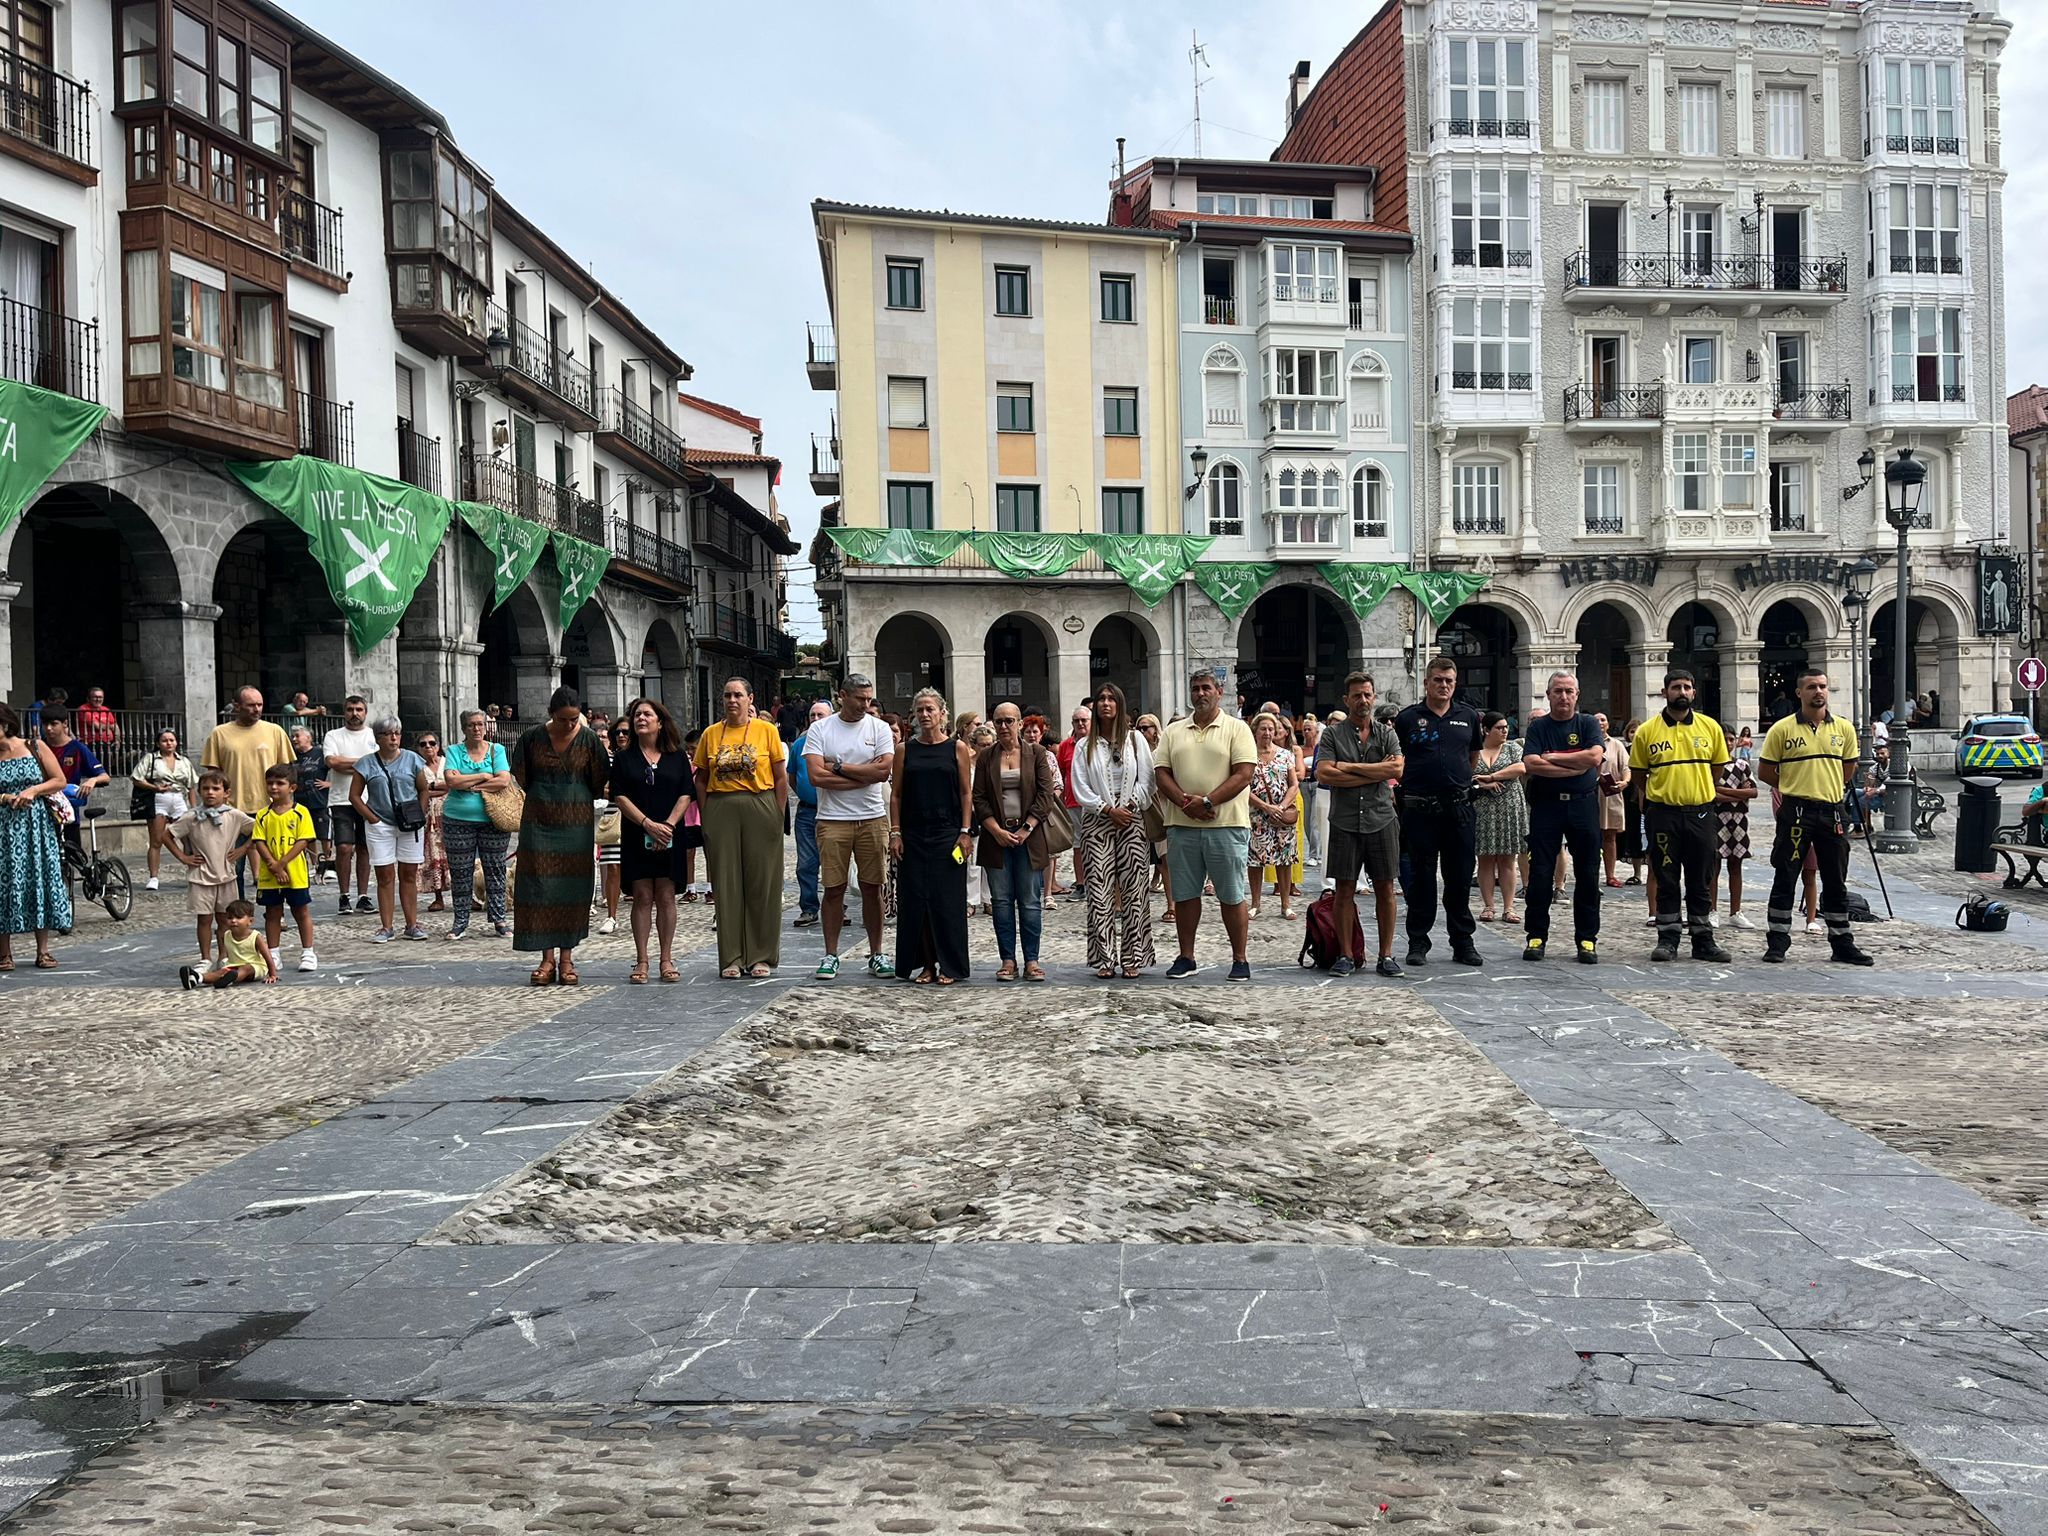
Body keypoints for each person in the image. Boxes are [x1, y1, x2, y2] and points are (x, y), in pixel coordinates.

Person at [1759, 668, 1871, 966]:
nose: (1818, 691)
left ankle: (1841, 942)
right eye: (1811, 687)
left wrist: (1825, 786)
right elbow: (1766, 771)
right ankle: (1778, 941)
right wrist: (1796, 785)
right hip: (1796, 810)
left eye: (1822, 686)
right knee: (1786, 875)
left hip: (1832, 810)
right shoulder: (1782, 729)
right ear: (1799, 693)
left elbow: (1849, 769)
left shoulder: (1844, 729)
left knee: (1836, 879)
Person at [1154, 669, 1259, 982]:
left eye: (1206, 688)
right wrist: (1188, 804)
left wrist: (1209, 802)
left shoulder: (1237, 728)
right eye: (1195, 688)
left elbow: (1244, 774)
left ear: (1219, 691)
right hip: (1182, 825)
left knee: (1231, 894)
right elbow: (1161, 773)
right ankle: (1186, 956)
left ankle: (1239, 959)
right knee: (1185, 895)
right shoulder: (1174, 731)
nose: (1200, 694)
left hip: (1226, 825)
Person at [1629, 669, 1732, 963]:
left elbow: (1717, 770)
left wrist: (1696, 790)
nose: (1682, 692)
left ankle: (1703, 940)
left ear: (1694, 692)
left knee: (1701, 878)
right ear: (1665, 692)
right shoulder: (1648, 731)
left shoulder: (1710, 727)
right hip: (1663, 814)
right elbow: (1639, 775)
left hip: (1701, 813)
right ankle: (1668, 938)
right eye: (1676, 687)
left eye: (1687, 687)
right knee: (1666, 877)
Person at [512, 687, 610, 986]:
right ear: (551, 715)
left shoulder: (590, 739)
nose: (570, 724)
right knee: (540, 885)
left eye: (574, 719)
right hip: (539, 819)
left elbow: (598, 777)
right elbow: (522, 775)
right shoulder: (532, 738)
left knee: (571, 888)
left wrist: (573, 795)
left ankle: (567, 958)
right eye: (563, 719)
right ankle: (546, 958)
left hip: (575, 821)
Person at [694, 676, 789, 979]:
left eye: (738, 695)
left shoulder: (766, 731)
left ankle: (761, 955)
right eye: (727, 695)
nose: (732, 700)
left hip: (760, 804)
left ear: (750, 699)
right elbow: (700, 776)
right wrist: (707, 812)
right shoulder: (711, 734)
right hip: (721, 806)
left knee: (763, 882)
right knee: (726, 883)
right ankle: (731, 957)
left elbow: (780, 776)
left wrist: (778, 812)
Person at [1393, 657, 1484, 968]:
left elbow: (1472, 756)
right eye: (1438, 680)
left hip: (1459, 809)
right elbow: (1398, 758)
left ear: (1454, 684)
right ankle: (1418, 941)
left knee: (1459, 877)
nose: (1443, 686)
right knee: (1421, 879)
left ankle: (1462, 942)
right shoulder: (1407, 719)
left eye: (1449, 681)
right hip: (1420, 810)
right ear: (1426, 683)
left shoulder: (1468, 716)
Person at [804, 674, 895, 981]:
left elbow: (883, 771)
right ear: (843, 695)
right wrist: (862, 774)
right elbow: (816, 776)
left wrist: (839, 767)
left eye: (869, 699)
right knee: (833, 888)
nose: (866, 705)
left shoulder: (879, 728)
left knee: (873, 887)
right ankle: (831, 955)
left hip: (872, 817)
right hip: (832, 819)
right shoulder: (820, 729)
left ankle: (877, 952)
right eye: (860, 699)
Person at [1314, 672, 1406, 977]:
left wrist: (1350, 767)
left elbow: (1397, 769)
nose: (1362, 700)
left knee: (1385, 888)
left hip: (1381, 818)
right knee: (1344, 889)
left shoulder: (1386, 733)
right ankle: (1345, 954)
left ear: (1374, 697)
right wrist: (1376, 772)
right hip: (1345, 821)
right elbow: (1325, 773)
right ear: (1346, 699)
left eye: (1367, 694)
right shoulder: (1332, 735)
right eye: (1356, 695)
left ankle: (1387, 955)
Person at [1519, 674, 1608, 965]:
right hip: (1547, 807)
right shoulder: (1539, 727)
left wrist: (1553, 757)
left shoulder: (1588, 724)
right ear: (1548, 695)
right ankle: (1536, 936)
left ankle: (1586, 939)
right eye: (1558, 691)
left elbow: (1594, 757)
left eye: (1569, 691)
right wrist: (1574, 767)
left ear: (1577, 694)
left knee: (1587, 874)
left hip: (1583, 807)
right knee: (1541, 874)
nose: (1563, 697)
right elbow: (1532, 763)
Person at [1070, 682, 1156, 979]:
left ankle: (1133, 956)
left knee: (1135, 891)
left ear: (1119, 704)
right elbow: (1080, 787)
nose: (1105, 703)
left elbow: (1147, 780)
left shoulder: (1135, 741)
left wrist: (1129, 807)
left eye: (1111, 699)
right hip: (1098, 822)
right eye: (1101, 699)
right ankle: (1104, 958)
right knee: (1099, 891)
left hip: (1131, 821)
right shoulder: (1085, 745)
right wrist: (1107, 809)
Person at [610, 696, 695, 985]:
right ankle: (642, 959)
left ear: (660, 721)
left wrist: (668, 825)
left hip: (670, 832)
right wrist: (647, 824)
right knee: (643, 896)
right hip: (637, 833)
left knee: (667, 896)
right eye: (636, 716)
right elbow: (619, 796)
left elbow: (686, 792)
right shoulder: (624, 758)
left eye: (646, 714)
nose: (640, 719)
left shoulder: (676, 755)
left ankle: (666, 958)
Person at [890, 687, 973, 985]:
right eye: (920, 710)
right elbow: (896, 795)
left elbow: (966, 792)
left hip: (948, 833)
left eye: (930, 709)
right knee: (917, 902)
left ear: (942, 713)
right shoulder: (904, 750)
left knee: (947, 901)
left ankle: (950, 965)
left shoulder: (956, 748)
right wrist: (895, 832)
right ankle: (926, 964)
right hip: (913, 833)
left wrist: (965, 831)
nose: (925, 715)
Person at [973, 702, 1059, 981]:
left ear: (1020, 723)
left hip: (1029, 838)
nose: (1003, 726)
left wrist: (1027, 828)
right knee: (1000, 901)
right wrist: (995, 829)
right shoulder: (987, 757)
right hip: (996, 837)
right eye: (998, 721)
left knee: (1030, 901)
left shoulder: (1036, 754)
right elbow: (979, 798)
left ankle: (1032, 960)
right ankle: (1007, 959)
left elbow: (1046, 795)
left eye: (1009, 720)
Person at [0, 703, 71, 971]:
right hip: (3, 829)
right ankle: (4, 953)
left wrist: (33, 790)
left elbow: (59, 780)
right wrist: (5, 797)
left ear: (5, 725)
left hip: (35, 827)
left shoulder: (35, 746)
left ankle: (43, 950)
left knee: (39, 877)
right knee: (3, 883)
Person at [348, 717, 431, 944]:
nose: (394, 738)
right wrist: (372, 818)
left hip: (409, 824)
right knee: (384, 875)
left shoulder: (413, 759)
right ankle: (386, 926)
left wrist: (420, 813)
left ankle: (412, 924)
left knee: (408, 873)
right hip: (380, 824)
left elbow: (423, 789)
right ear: (378, 738)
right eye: (388, 734)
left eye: (397, 733)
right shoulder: (366, 763)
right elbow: (354, 795)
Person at [442, 709, 513, 941]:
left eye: (481, 724)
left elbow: (503, 779)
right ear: (464, 728)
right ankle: (460, 920)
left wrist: (469, 784)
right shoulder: (453, 751)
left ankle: (499, 918)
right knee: (461, 872)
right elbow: (451, 780)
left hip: (493, 819)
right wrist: (483, 777)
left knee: (495, 870)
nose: (477, 729)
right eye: (472, 725)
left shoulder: (496, 750)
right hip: (457, 819)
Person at [167, 770, 251, 964]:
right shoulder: (191, 817)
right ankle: (205, 957)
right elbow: (167, 835)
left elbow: (258, 830)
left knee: (225, 919)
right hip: (201, 876)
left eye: (216, 788)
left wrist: (243, 849)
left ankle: (224, 955)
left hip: (226, 875)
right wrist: (183, 857)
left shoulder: (235, 815)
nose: (210, 793)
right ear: (199, 792)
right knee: (204, 919)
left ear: (226, 793)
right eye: (206, 789)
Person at [251, 763, 318, 972]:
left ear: (292, 787)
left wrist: (281, 864)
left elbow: (303, 841)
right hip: (269, 875)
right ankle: (273, 953)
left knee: (301, 911)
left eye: (279, 783)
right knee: (272, 913)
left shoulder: (301, 812)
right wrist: (272, 865)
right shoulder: (262, 814)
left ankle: (308, 952)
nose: (274, 787)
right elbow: (259, 841)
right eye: (270, 783)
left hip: (295, 873)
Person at [320, 695, 377, 917]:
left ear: (365, 712)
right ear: (345, 712)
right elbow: (332, 762)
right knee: (344, 847)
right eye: (351, 709)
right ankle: (344, 894)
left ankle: (362, 895)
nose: (355, 713)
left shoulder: (373, 735)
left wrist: (349, 762)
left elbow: (378, 762)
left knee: (365, 848)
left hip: (369, 798)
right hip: (341, 799)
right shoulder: (333, 735)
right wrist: (364, 762)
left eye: (359, 709)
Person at [204, 687, 294, 820]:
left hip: (270, 809)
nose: (257, 709)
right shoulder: (219, 733)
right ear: (237, 706)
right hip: (232, 810)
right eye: (251, 705)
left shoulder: (276, 731)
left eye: (260, 705)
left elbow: (287, 772)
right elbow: (213, 774)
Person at [1245, 712, 1301, 921]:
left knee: (1284, 859)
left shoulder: (1285, 755)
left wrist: (1282, 806)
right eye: (1263, 729)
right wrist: (1265, 806)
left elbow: (1294, 784)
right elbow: (1243, 786)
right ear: (1255, 731)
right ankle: (1255, 904)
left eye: (1271, 729)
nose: (1267, 733)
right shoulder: (1247, 755)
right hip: (1257, 815)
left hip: (1282, 814)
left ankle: (1286, 904)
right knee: (1255, 860)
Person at [1473, 712, 1527, 925]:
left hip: (1508, 806)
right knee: (1485, 858)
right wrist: (1483, 783)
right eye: (1499, 727)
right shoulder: (1476, 750)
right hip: (1483, 808)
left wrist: (1493, 776)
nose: (1505, 731)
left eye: (1505, 727)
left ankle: (1509, 906)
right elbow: (1466, 774)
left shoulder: (1513, 748)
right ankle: (1488, 905)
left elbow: (1521, 767)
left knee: (1507, 858)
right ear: (1486, 730)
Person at [134, 727, 199, 892]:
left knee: (188, 838)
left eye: (171, 740)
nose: (168, 743)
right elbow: (136, 778)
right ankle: (153, 877)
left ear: (176, 742)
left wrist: (194, 808)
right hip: (158, 799)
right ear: (158, 743)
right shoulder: (151, 759)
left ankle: (193, 873)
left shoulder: (183, 761)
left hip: (179, 798)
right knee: (156, 840)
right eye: (164, 740)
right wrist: (154, 788)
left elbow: (191, 785)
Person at [790, 698, 831, 928]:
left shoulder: (836, 743)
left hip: (832, 811)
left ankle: (836, 908)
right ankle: (808, 908)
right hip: (807, 812)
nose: (815, 719)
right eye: (812, 715)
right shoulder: (800, 744)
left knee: (834, 863)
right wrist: (807, 794)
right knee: (806, 863)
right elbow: (793, 777)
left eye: (820, 715)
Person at [40, 708, 108, 843]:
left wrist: (93, 780)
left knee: (73, 856)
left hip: (68, 811)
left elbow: (105, 776)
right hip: (42, 810)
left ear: (65, 724)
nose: (48, 728)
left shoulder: (77, 748)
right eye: (45, 724)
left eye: (53, 724)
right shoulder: (38, 747)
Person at [181, 898, 275, 989]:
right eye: (230, 918)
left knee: (246, 968)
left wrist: (272, 974)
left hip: (255, 967)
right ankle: (197, 978)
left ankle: (230, 979)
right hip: (233, 966)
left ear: (250, 921)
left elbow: (267, 956)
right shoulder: (226, 935)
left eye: (238, 917)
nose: (233, 920)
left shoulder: (255, 936)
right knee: (220, 972)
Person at [1713, 744, 1759, 930]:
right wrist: (1740, 794)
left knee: (1736, 864)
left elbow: (1754, 791)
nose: (1728, 743)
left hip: (1739, 821)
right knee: (1714, 865)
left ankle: (1735, 911)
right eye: (1724, 739)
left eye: (1731, 739)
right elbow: (1709, 793)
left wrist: (1725, 791)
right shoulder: (1713, 766)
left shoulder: (1742, 765)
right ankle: (1712, 910)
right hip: (1717, 819)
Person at [595, 718, 632, 937]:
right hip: (613, 816)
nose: (620, 736)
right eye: (617, 732)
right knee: (612, 866)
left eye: (625, 732)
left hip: (638, 815)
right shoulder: (608, 760)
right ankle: (612, 915)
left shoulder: (642, 757)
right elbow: (601, 787)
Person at [1593, 712, 1631, 889]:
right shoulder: (1587, 743)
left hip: (1611, 794)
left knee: (1610, 836)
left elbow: (1626, 767)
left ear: (1608, 724)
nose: (1600, 723)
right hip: (1589, 794)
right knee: (1590, 837)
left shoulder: (1616, 745)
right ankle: (1590, 874)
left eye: (1603, 720)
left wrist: (1624, 782)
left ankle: (1610, 875)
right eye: (1596, 720)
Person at [287, 727, 330, 879]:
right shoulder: (292, 756)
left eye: (297, 736)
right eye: (292, 736)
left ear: (308, 737)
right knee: (308, 834)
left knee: (324, 834)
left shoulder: (320, 753)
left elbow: (335, 770)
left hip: (319, 800)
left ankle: (328, 864)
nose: (294, 739)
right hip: (300, 801)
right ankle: (315, 865)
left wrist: (330, 784)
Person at [1056, 703, 1090, 897]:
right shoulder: (1065, 745)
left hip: (1096, 802)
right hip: (1073, 801)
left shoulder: (1099, 743)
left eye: (1084, 720)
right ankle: (1080, 882)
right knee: (1078, 843)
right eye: (1076, 721)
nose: (1080, 724)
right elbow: (1061, 772)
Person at [964, 722, 997, 915]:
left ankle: (989, 899)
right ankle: (971, 900)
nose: (986, 748)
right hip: (975, 816)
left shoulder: (997, 763)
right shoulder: (968, 764)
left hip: (993, 816)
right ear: (974, 744)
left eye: (989, 744)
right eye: (982, 744)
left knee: (990, 862)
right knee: (973, 862)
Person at [416, 729, 450, 913]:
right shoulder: (418, 767)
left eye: (432, 743)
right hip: (430, 818)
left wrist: (430, 788)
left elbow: (454, 783)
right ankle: (438, 897)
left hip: (451, 813)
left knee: (458, 855)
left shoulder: (448, 763)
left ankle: (467, 896)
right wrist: (439, 788)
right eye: (423, 744)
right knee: (434, 856)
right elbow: (421, 791)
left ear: (438, 746)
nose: (428, 747)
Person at [1620, 718, 1646, 885]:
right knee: (1633, 835)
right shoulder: (1625, 751)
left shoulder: (1648, 751)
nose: (1635, 735)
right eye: (1631, 731)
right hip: (1629, 799)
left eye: (1638, 731)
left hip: (1647, 798)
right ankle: (1637, 873)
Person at [1298, 713, 1324, 869]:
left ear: (1315, 731)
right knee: (1307, 821)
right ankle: (1315, 852)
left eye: (1309, 729)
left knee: (1314, 820)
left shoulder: (1319, 748)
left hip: (1316, 784)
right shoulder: (1301, 749)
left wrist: (1308, 769)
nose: (1307, 732)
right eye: (1305, 729)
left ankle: (1314, 854)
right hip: (1304, 785)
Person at [74, 687, 118, 755]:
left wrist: (118, 740)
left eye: (100, 697)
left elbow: (116, 727)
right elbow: (98, 726)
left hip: (108, 743)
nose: (98, 699)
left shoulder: (105, 709)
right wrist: (111, 726)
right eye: (95, 697)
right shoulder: (84, 709)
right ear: (88, 699)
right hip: (92, 744)